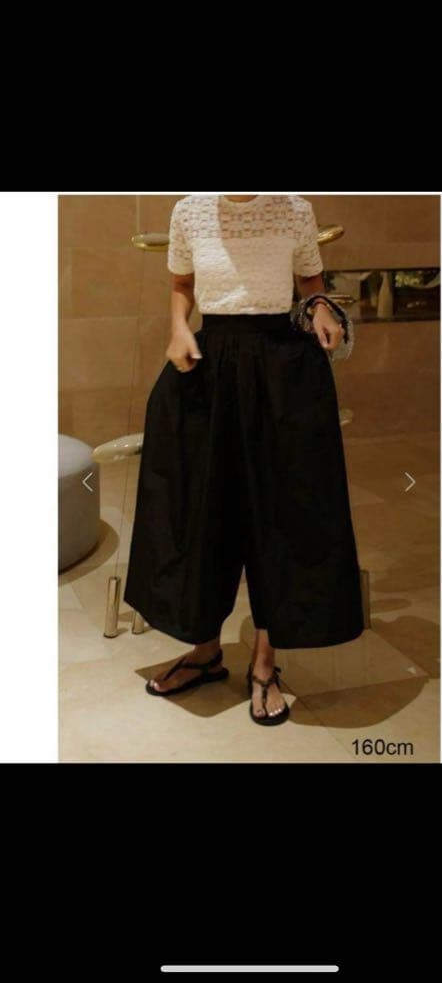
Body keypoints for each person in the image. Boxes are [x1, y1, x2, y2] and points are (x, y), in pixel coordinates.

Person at [124, 194, 364, 726]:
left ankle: (264, 662)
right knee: (201, 506)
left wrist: (321, 307)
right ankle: (205, 650)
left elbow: (309, 280)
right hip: (208, 366)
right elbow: (182, 285)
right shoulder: (190, 211)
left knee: (279, 512)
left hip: (282, 369)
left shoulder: (293, 209)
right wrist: (179, 327)